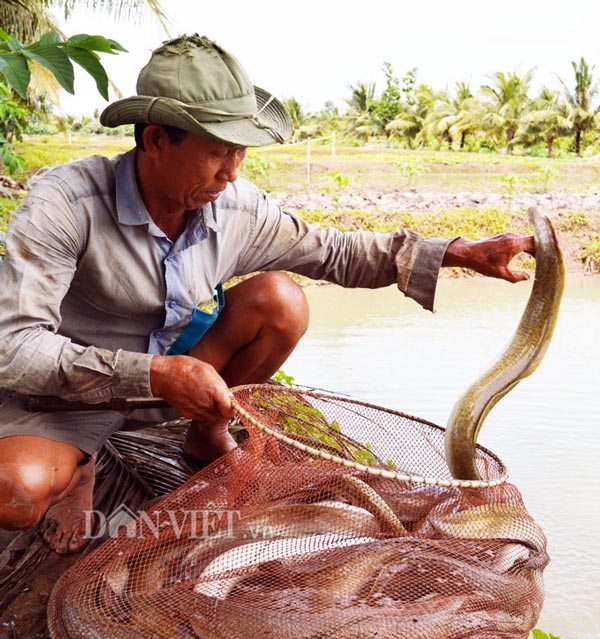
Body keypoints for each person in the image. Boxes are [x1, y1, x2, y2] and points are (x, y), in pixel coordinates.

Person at [0, 34, 534, 554]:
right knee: (17, 494)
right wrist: (153, 374)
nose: (232, 173)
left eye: (240, 154)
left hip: (185, 379)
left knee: (281, 299)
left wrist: (458, 252)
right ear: (157, 139)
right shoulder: (65, 204)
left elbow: (335, 251)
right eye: (218, 153)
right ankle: (82, 469)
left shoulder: (234, 206)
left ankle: (206, 433)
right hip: (67, 396)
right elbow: (16, 348)